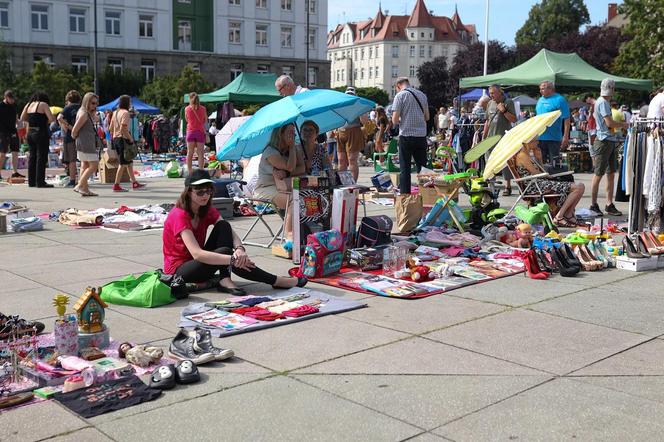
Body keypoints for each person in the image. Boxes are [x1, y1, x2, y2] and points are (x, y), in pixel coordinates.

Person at [163, 169, 307, 294]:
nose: (205, 196)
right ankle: (276, 281)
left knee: (224, 226)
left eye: (208, 190)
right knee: (226, 251)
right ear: (188, 192)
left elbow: (228, 230)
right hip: (179, 271)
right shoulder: (179, 215)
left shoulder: (205, 208)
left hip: (199, 263)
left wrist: (240, 250)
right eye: (200, 191)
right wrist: (233, 259)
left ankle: (225, 279)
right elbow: (197, 253)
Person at [512, 141, 585, 227]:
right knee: (577, 188)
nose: (538, 142)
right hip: (533, 186)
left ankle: (568, 214)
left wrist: (539, 159)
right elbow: (536, 173)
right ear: (528, 142)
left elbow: (541, 172)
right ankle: (559, 217)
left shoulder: (528, 155)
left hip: (540, 183)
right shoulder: (522, 156)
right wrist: (548, 176)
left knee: (580, 186)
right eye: (535, 140)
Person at [254, 124, 305, 242]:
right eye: (290, 132)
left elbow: (302, 168)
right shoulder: (270, 151)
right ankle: (289, 235)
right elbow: (290, 167)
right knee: (294, 199)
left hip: (282, 186)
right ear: (280, 134)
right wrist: (293, 148)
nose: (293, 135)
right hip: (265, 188)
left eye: (294, 132)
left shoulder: (291, 149)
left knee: (309, 195)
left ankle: (307, 232)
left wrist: (286, 173)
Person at [589, 79, 629, 217]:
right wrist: (624, 125)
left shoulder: (602, 102)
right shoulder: (603, 102)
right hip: (603, 141)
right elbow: (609, 122)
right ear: (611, 89)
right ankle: (593, 204)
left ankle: (608, 203)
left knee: (610, 173)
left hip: (608, 140)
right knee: (599, 174)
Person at [391, 77, 429, 194]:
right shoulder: (422, 95)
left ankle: (405, 196)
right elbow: (427, 117)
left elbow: (395, 120)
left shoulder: (400, 96)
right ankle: (425, 194)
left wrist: (403, 118)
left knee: (405, 169)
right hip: (421, 135)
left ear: (398, 86)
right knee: (422, 168)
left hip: (406, 135)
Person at [484, 84, 517, 195]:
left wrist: (504, 111)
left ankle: (507, 186)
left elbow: (513, 119)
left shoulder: (508, 102)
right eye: (490, 93)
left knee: (506, 162)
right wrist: (484, 137)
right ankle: (490, 185)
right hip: (491, 138)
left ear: (500, 92)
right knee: (490, 161)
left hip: (504, 137)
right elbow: (487, 121)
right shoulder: (490, 103)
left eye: (493, 93)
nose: (491, 95)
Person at [109, 95, 145, 192]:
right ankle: (116, 185)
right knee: (123, 163)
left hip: (116, 138)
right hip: (123, 139)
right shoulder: (125, 113)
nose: (130, 104)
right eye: (130, 102)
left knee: (129, 162)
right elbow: (123, 128)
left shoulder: (115, 112)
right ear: (127, 103)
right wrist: (130, 138)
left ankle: (134, 182)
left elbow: (110, 128)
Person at [20, 91, 55, 188]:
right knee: (41, 157)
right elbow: (51, 119)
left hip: (30, 132)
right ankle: (40, 182)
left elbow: (22, 118)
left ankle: (31, 182)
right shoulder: (43, 104)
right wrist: (43, 121)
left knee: (32, 157)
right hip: (40, 132)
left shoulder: (28, 105)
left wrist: (33, 120)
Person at [70, 92, 101, 197]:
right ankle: (80, 185)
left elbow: (96, 120)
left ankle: (85, 189)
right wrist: (76, 137)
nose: (95, 105)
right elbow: (74, 130)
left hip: (84, 142)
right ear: (86, 102)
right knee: (94, 165)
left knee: (85, 165)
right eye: (92, 103)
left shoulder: (84, 112)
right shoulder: (83, 113)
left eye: (96, 103)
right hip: (85, 143)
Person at [535, 81, 570, 165]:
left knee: (554, 164)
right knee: (540, 164)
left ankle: (554, 178)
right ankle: (542, 178)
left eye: (543, 89)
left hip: (553, 138)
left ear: (551, 89)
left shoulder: (560, 100)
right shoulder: (540, 100)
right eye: (540, 89)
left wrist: (565, 136)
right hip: (540, 137)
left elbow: (567, 119)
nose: (540, 91)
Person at [336, 87, 366, 182]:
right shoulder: (341, 104)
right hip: (341, 131)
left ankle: (353, 183)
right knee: (341, 160)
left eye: (351, 94)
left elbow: (364, 121)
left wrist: (360, 108)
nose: (350, 96)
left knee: (352, 159)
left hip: (354, 130)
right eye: (348, 94)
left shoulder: (358, 104)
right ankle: (343, 183)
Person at [57, 90, 82, 187]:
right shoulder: (81, 108)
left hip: (70, 136)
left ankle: (72, 180)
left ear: (68, 99)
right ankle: (83, 179)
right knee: (83, 159)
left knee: (72, 160)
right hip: (81, 135)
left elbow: (59, 118)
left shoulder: (67, 108)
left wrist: (68, 126)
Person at [0, 90, 22, 182]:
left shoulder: (14, 105)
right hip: (3, 131)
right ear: (6, 97)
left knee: (15, 151)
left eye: (13, 99)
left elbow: (16, 116)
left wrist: (19, 123)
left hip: (13, 130)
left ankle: (15, 172)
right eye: (11, 99)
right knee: (2, 153)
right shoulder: (1, 105)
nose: (13, 100)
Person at [184, 92, 208, 177]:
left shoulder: (187, 109)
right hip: (200, 132)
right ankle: (201, 171)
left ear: (190, 99)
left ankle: (190, 172)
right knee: (200, 153)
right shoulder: (203, 109)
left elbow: (187, 120)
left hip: (190, 132)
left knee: (190, 153)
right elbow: (205, 121)